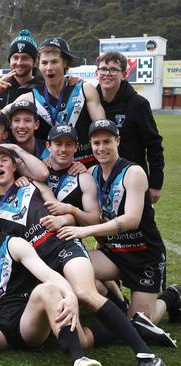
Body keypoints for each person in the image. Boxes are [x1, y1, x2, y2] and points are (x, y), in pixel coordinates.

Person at [0, 144, 170, 363]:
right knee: (79, 336)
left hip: (63, 244)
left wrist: (63, 219)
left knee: (84, 293)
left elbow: (60, 210)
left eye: (5, 160)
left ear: (14, 165)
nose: (0, 165)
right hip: (38, 262)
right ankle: (133, 326)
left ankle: (145, 354)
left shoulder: (34, 184)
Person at [0, 191, 99, 366]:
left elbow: (49, 275)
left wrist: (70, 295)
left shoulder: (14, 244)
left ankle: (79, 359)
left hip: (27, 322)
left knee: (48, 289)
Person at [58, 121, 170, 330]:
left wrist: (86, 230)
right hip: (113, 253)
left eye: (107, 142)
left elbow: (132, 220)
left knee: (140, 325)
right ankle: (116, 301)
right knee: (72, 266)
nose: (101, 148)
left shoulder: (133, 172)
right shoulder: (90, 173)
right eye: (96, 143)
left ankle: (171, 297)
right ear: (90, 145)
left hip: (144, 256)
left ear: (117, 141)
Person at [8, 37, 105, 165]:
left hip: (84, 165)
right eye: (44, 63)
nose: (49, 68)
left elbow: (103, 130)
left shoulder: (84, 90)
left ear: (65, 63)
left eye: (54, 62)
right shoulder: (31, 97)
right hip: (50, 168)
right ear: (38, 65)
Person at [95, 51, 164, 203]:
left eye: (114, 70)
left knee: (140, 226)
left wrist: (156, 184)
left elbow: (154, 145)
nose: (107, 74)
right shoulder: (89, 101)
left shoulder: (138, 104)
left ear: (124, 74)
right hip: (98, 180)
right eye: (103, 69)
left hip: (132, 180)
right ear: (96, 73)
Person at [0, 29, 43, 110]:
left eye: (25, 58)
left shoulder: (43, 86)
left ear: (34, 61)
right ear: (10, 60)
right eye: (15, 57)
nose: (19, 63)